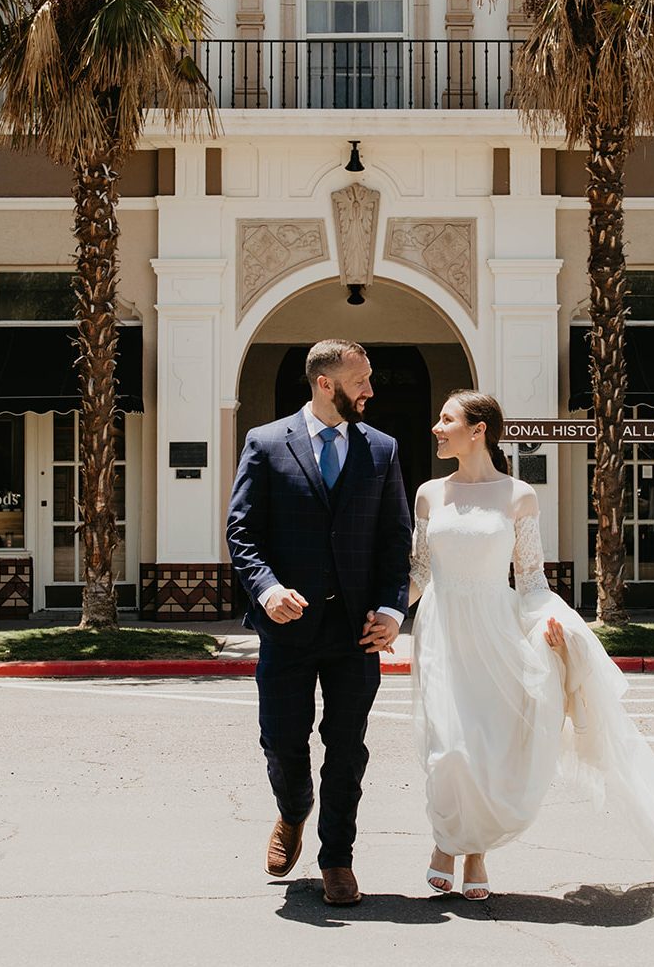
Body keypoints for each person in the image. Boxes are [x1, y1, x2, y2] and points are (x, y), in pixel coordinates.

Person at [411, 391, 654, 900]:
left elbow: (532, 578)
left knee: (487, 749)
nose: (437, 426)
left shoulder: (519, 495)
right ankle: (444, 844)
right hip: (442, 631)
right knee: (448, 749)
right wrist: (386, 615)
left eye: (446, 419)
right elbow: (418, 573)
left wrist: (550, 624)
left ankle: (473, 852)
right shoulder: (429, 494)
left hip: (497, 632)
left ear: (478, 430)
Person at [226, 339, 412, 907]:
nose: (371, 392)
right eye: (361, 381)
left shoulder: (381, 449)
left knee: (346, 746)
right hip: (287, 626)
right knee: (282, 741)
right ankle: (291, 810)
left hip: (356, 630)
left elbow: (394, 539)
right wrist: (266, 588)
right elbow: (243, 532)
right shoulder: (264, 442)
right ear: (326, 384)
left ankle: (337, 858)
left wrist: (391, 608)